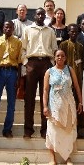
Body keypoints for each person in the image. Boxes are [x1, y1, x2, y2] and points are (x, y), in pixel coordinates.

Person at [21, 8, 58, 139]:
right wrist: (26, 63)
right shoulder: (27, 30)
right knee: (29, 98)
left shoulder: (50, 31)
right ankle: (28, 130)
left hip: (46, 65)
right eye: (38, 14)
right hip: (32, 64)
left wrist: (52, 65)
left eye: (43, 14)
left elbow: (55, 49)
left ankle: (45, 130)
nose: (41, 16)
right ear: (34, 16)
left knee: (46, 98)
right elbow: (23, 49)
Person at [43, 49, 82, 165]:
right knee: (53, 131)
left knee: (68, 131)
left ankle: (68, 157)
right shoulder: (49, 72)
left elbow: (76, 86)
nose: (60, 58)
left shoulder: (70, 70)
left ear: (65, 58)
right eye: (58, 56)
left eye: (62, 56)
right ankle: (52, 157)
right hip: (54, 106)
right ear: (54, 58)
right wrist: (45, 106)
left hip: (69, 105)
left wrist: (80, 102)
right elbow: (45, 90)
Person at [0, 21, 22, 138]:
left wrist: (18, 78)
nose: (8, 29)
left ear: (13, 29)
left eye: (10, 27)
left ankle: (7, 129)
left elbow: (20, 61)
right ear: (3, 28)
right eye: (6, 27)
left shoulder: (18, 42)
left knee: (11, 103)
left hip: (12, 72)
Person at [59, 24, 84, 138]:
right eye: (71, 32)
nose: (74, 34)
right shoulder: (63, 45)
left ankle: (80, 129)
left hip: (79, 79)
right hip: (65, 79)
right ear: (68, 33)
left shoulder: (80, 46)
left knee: (78, 104)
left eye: (76, 32)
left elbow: (82, 63)